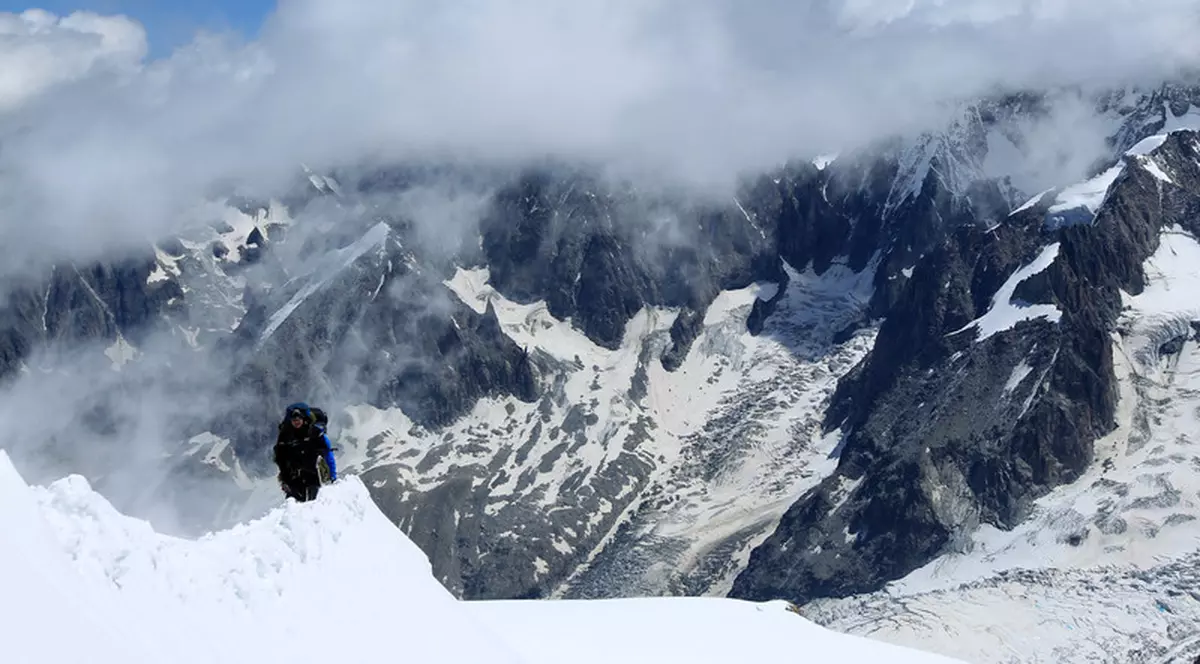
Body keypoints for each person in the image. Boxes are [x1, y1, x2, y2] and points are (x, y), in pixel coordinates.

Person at [272, 402, 337, 502]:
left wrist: (333, 475)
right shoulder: (286, 435)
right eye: (294, 420)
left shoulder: (314, 432)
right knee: (295, 499)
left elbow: (327, 452)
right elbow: (281, 460)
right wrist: (285, 480)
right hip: (296, 472)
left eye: (298, 420)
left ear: (303, 419)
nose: (296, 422)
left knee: (312, 496)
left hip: (312, 471)